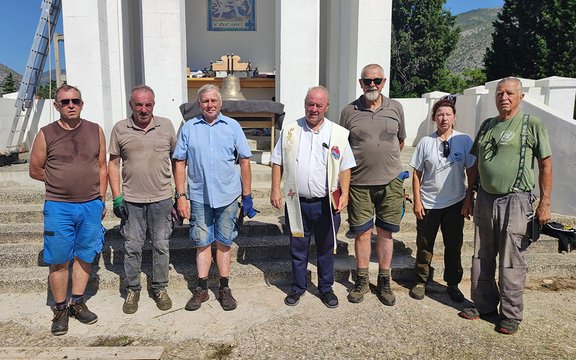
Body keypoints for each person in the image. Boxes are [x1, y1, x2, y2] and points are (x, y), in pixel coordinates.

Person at [459, 77, 552, 335]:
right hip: (486, 198)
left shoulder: (531, 124)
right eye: (499, 93)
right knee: (482, 254)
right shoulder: (488, 125)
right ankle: (484, 304)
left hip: (516, 199)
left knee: (512, 258)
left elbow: (545, 164)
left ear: (520, 96)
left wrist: (545, 202)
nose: (504, 97)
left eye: (510, 93)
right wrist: (470, 196)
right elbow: (475, 164)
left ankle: (510, 314)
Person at [29, 84, 107, 336]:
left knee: (85, 256)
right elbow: (35, 169)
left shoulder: (96, 131)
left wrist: (101, 200)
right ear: (57, 106)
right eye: (65, 102)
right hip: (58, 206)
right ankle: (60, 309)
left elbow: (102, 166)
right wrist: (60, 181)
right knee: (59, 260)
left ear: (82, 103)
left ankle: (78, 302)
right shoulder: (46, 133)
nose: (71, 105)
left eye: (75, 100)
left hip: (90, 205)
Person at [173, 84, 257, 311]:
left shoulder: (232, 126)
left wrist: (247, 195)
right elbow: (179, 161)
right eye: (205, 101)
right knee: (202, 242)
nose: (209, 105)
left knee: (224, 241)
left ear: (220, 103)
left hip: (228, 196)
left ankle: (224, 288)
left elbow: (244, 161)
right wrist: (181, 195)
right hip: (199, 196)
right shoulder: (189, 128)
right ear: (199, 104)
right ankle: (201, 289)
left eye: (213, 101)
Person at [270, 86, 356, 308]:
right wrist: (274, 189)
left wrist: (345, 193)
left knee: (326, 248)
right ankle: (298, 287)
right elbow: (277, 161)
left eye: (319, 105)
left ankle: (326, 288)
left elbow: (346, 166)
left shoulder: (337, 134)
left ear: (327, 107)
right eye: (310, 104)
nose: (314, 109)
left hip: (326, 205)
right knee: (298, 248)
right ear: (305, 104)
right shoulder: (290, 131)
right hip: (296, 204)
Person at [340, 63, 406, 306]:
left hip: (390, 182)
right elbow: (343, 148)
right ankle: (361, 280)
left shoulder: (396, 108)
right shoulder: (348, 111)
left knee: (386, 234)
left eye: (377, 80)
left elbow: (400, 141)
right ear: (360, 83)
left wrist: (384, 163)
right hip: (359, 183)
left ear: (384, 82)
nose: (372, 85)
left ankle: (385, 281)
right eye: (367, 81)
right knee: (362, 234)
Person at [108, 85, 177, 314]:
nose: (143, 109)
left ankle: (159, 288)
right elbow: (113, 164)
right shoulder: (120, 128)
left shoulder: (166, 126)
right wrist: (117, 197)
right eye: (138, 104)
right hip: (132, 201)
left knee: (161, 245)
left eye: (148, 104)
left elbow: (177, 161)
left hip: (161, 199)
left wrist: (180, 193)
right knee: (132, 247)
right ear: (131, 106)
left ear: (154, 105)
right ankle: (133, 289)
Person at [408, 98, 475, 302]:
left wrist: (468, 199)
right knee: (424, 245)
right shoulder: (426, 142)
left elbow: (471, 171)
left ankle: (453, 284)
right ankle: (421, 281)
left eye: (447, 114)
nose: (443, 118)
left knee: (453, 245)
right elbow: (417, 174)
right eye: (439, 114)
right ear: (434, 118)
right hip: (429, 203)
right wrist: (417, 201)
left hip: (455, 203)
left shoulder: (464, 140)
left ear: (454, 117)